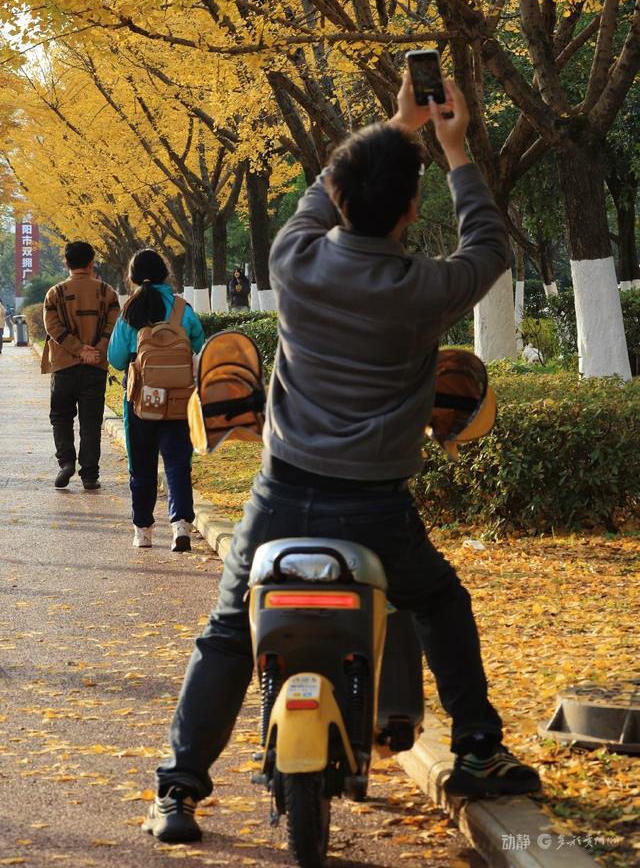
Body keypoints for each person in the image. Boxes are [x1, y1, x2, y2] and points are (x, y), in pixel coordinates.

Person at [143, 73, 541, 845]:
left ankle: (178, 792)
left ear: (341, 196)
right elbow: (489, 246)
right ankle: (480, 749)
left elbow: (323, 190)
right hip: (378, 509)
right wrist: (453, 150)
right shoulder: (425, 287)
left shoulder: (294, 262)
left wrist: (394, 127)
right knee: (440, 603)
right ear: (409, 213)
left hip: (281, 496)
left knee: (230, 631)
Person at [108, 249, 205, 552]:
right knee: (177, 462)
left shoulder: (130, 312)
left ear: (133, 277)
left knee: (142, 464)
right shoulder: (182, 309)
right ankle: (181, 526)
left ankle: (143, 531)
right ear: (166, 274)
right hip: (179, 398)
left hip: (139, 400)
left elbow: (116, 358)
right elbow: (199, 346)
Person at [43, 242, 120, 490]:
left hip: (64, 366)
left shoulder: (55, 293)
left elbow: (53, 328)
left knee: (61, 416)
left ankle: (66, 462)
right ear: (91, 263)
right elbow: (113, 325)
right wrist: (94, 350)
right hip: (95, 366)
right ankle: (89, 474)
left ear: (66, 263)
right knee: (90, 420)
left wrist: (77, 349)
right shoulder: (108, 293)